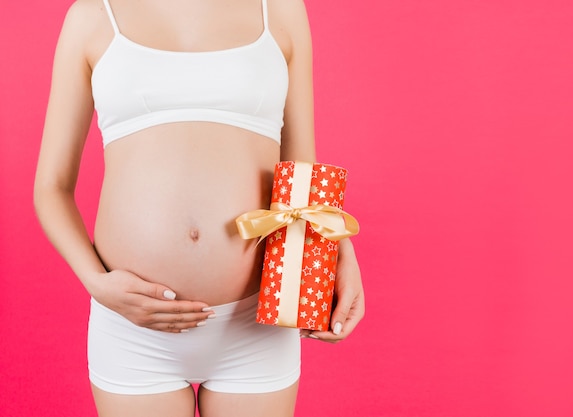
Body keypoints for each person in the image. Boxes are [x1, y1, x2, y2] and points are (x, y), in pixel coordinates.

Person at [33, 0, 365, 416]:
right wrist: (95, 283)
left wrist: (337, 251)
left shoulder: (279, 10)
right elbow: (51, 187)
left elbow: (303, 172)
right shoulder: (93, 16)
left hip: (254, 323)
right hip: (134, 329)